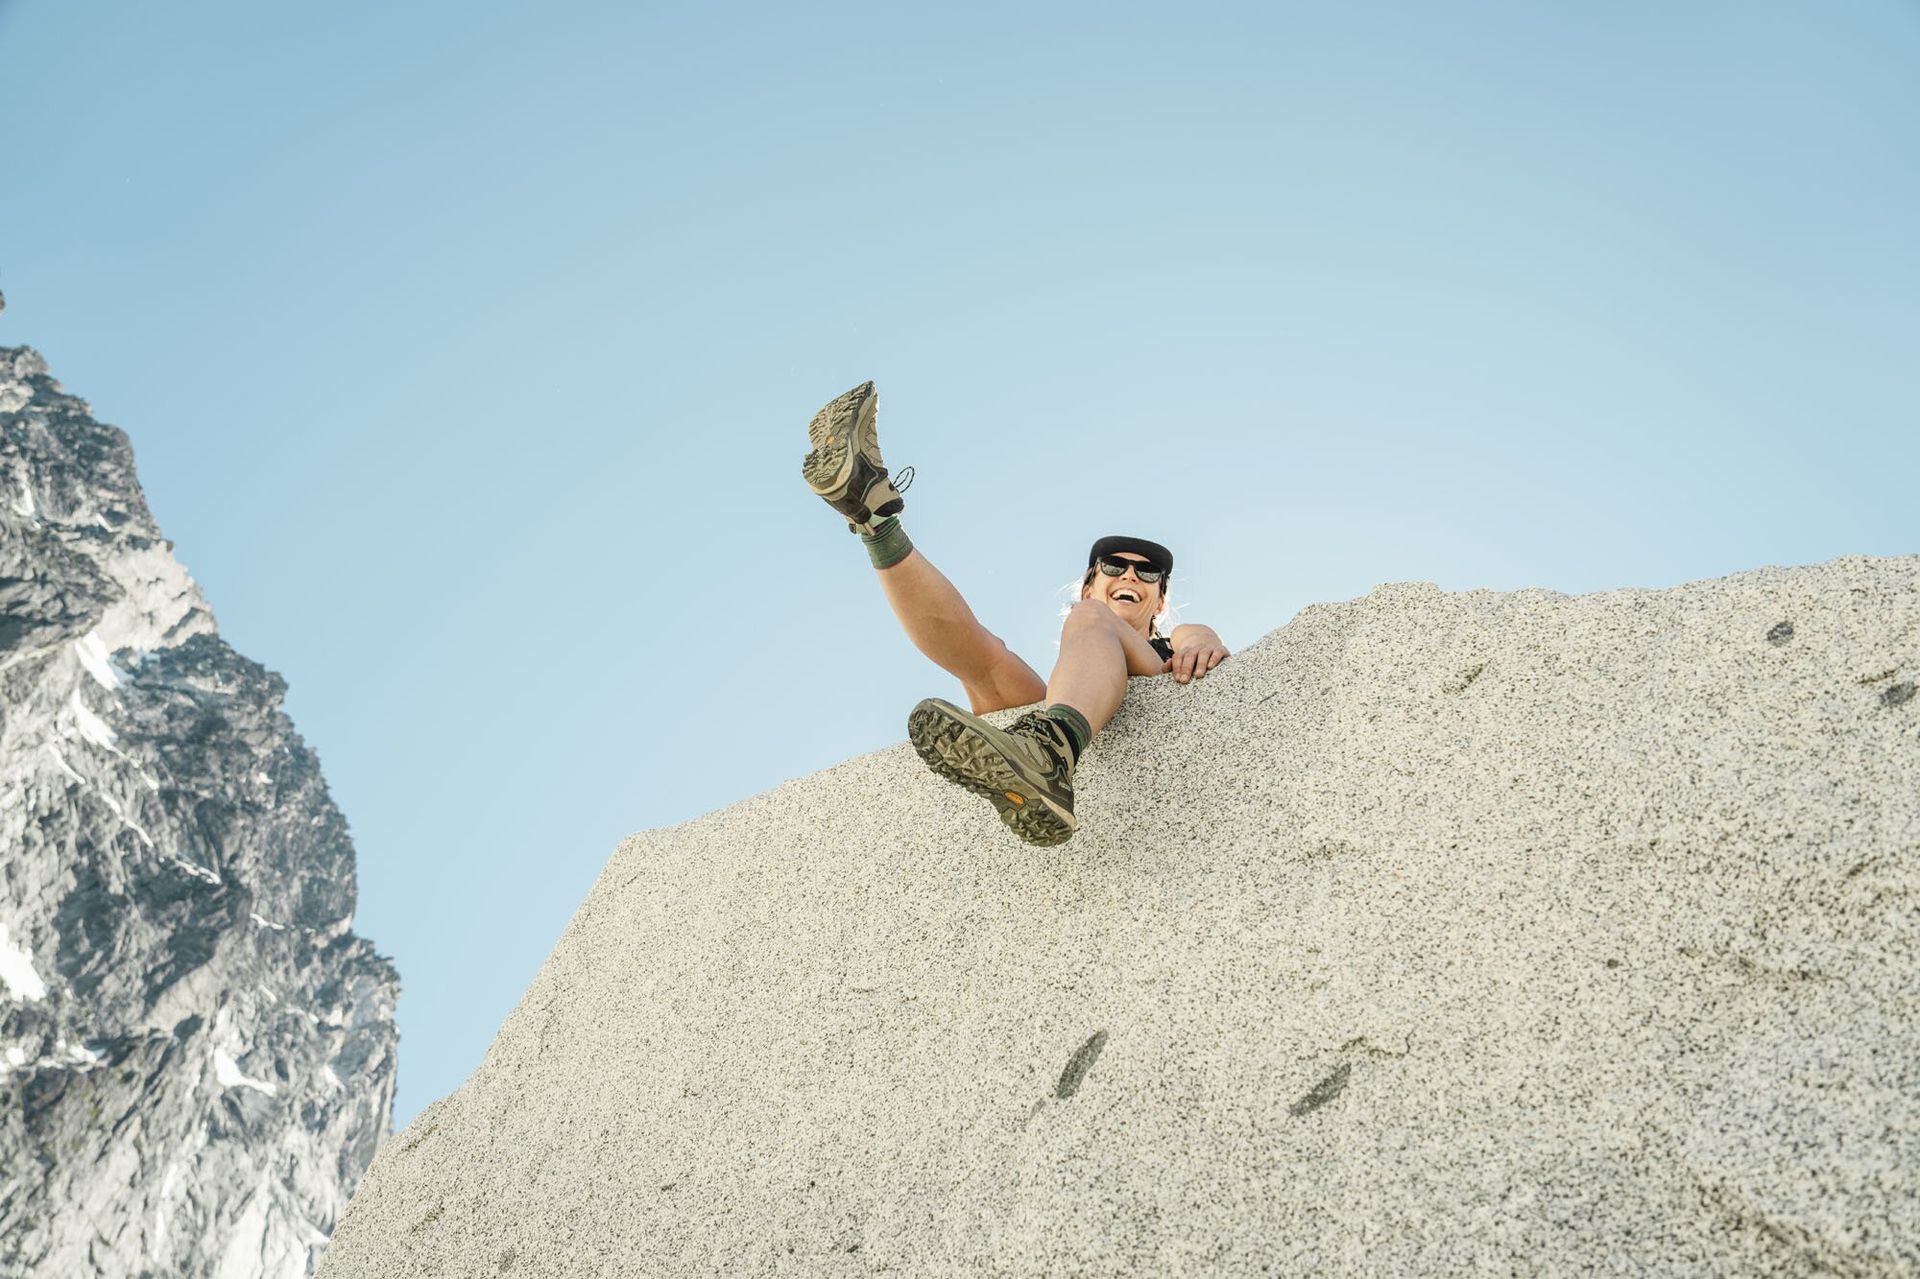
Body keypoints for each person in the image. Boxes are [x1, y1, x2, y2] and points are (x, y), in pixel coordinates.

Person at [801, 381, 1230, 847]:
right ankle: (874, 516)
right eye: (1113, 567)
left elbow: (1195, 636)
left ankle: (1047, 752)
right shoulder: (1084, 634)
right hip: (1063, 710)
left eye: (1148, 574)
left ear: (1161, 600)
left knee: (1088, 621)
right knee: (988, 663)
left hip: (1148, 677)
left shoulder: (1167, 635)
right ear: (1090, 582)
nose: (1130, 576)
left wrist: (1200, 638)